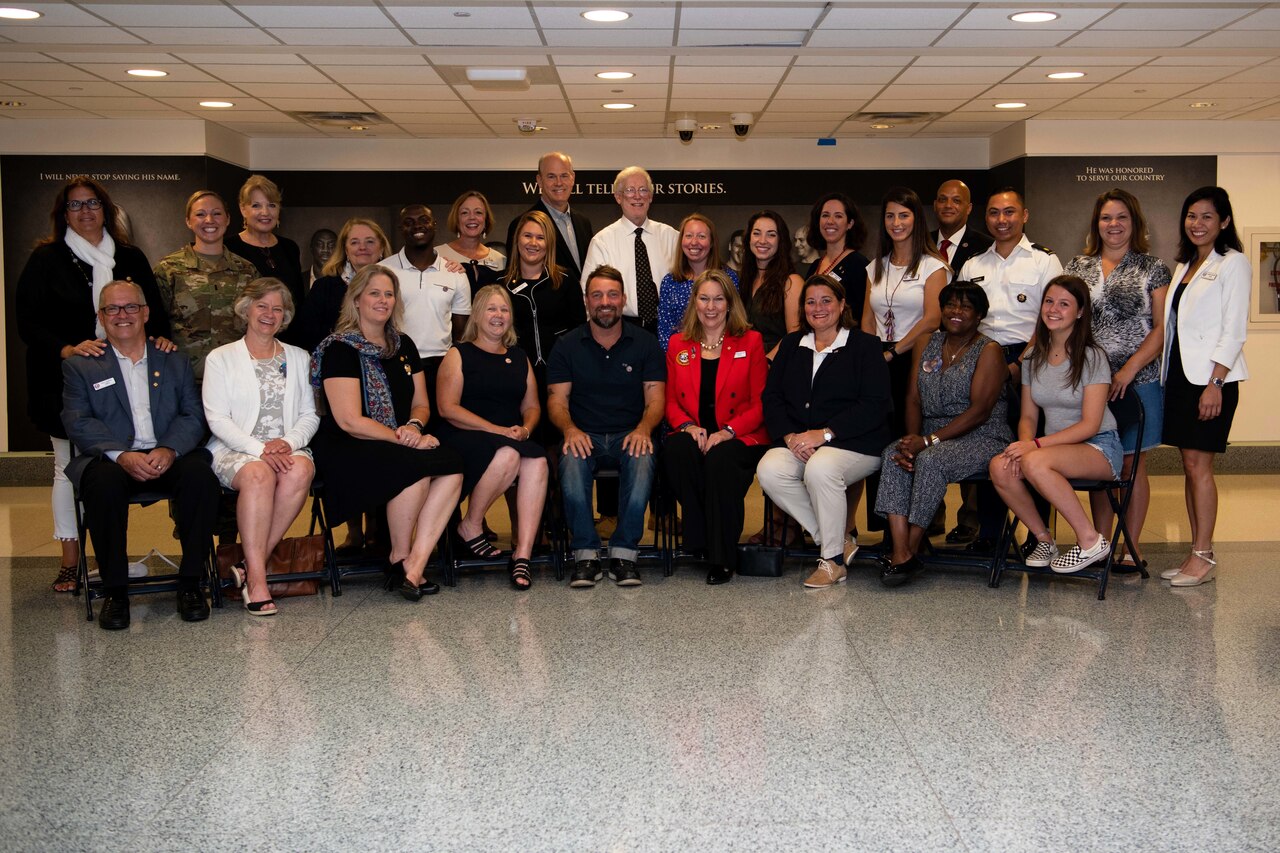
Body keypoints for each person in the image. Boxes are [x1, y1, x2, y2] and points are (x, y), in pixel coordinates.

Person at [16, 176, 171, 593]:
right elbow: (28, 322)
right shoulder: (47, 259)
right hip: (67, 375)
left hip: (130, 375)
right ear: (62, 214)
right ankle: (71, 561)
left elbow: (152, 310)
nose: (85, 212)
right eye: (75, 205)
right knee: (67, 469)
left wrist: (161, 339)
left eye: (92, 204)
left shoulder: (130, 257)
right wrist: (66, 348)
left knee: (112, 465)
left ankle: (110, 556)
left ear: (106, 209)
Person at [62, 281, 219, 630]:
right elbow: (77, 421)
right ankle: (116, 591)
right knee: (101, 486)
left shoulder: (173, 359)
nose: (122, 315)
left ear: (146, 312)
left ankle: (191, 583)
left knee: (201, 478)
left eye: (130, 307)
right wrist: (120, 455)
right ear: (101, 317)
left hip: (168, 453)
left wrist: (169, 448)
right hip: (111, 460)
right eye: (112, 309)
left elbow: (193, 415)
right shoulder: (82, 366)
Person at [310, 264, 464, 600]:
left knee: (452, 465)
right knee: (415, 468)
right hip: (347, 445)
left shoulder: (403, 344)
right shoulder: (340, 349)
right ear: (357, 300)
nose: (383, 300)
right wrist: (402, 437)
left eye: (389, 294)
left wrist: (413, 426)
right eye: (374, 293)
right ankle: (399, 554)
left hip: (397, 439)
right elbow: (349, 420)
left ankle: (413, 565)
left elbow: (422, 404)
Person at [757, 275, 891, 589]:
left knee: (820, 468)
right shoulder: (792, 344)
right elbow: (772, 397)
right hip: (802, 441)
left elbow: (875, 404)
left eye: (826, 300)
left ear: (842, 304)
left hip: (858, 443)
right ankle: (836, 540)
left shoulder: (865, 346)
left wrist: (825, 434)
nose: (818, 308)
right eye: (810, 301)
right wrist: (790, 437)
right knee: (770, 469)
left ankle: (831, 562)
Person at [874, 282, 1011, 586]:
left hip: (983, 435)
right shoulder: (925, 343)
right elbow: (912, 398)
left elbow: (980, 412)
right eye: (950, 305)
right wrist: (912, 441)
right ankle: (902, 550)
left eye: (965, 307)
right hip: (929, 434)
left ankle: (909, 548)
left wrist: (927, 442)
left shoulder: (989, 350)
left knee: (932, 460)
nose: (956, 312)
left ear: (979, 316)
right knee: (893, 454)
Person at [1063, 188, 1172, 569]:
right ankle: (1101, 543)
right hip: (1091, 381)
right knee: (1102, 461)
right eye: (1107, 218)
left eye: (1121, 217)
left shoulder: (1153, 267)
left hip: (1138, 379)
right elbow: (1068, 320)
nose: (1114, 225)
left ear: (1134, 222)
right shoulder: (1078, 266)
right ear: (1097, 223)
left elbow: (1161, 328)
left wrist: (1127, 370)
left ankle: (1133, 546)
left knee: (1131, 465)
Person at [988, 275, 1124, 575]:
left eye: (1064, 304)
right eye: (1049, 301)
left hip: (1098, 446)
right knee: (1000, 466)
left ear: (1079, 312)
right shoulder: (1034, 357)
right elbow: (1028, 417)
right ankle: (1043, 538)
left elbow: (1090, 424)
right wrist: (1025, 444)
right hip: (1052, 450)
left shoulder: (1092, 356)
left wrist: (1034, 446)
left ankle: (1090, 541)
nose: (1053, 309)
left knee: (1035, 462)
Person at [202, 278, 319, 616]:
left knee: (302, 470)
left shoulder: (299, 357)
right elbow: (218, 420)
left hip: (285, 447)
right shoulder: (220, 358)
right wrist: (261, 449)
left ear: (285, 316)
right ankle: (257, 580)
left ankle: (250, 565)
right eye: (262, 305)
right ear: (246, 309)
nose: (269, 314)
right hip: (235, 448)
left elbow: (309, 415)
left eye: (277, 308)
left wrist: (289, 442)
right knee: (258, 476)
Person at [959, 188, 1064, 552]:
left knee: (1030, 448)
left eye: (1009, 212)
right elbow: (962, 319)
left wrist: (1020, 364)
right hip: (982, 360)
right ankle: (990, 534)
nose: (1001, 220)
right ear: (984, 218)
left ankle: (1039, 538)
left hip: (1030, 359)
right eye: (993, 213)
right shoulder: (973, 265)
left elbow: (1052, 317)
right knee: (989, 446)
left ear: (1025, 215)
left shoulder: (1044, 262)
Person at [547, 265, 665, 588]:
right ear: (586, 301)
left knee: (642, 460)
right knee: (570, 461)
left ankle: (624, 553)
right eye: (597, 295)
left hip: (631, 432)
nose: (605, 301)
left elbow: (656, 399)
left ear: (623, 299)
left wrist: (643, 429)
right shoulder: (567, 346)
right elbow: (557, 401)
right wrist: (570, 430)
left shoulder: (645, 343)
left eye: (613, 294)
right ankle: (585, 554)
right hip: (584, 434)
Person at [1159, 186, 1249, 587]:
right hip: (1180, 376)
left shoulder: (1234, 263)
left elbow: (1233, 330)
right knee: (1188, 465)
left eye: (1207, 217)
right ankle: (1195, 553)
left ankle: (1203, 555)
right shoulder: (1185, 265)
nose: (1197, 224)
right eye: (1192, 216)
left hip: (1211, 380)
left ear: (1224, 222)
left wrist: (1216, 383)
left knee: (1200, 467)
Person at [436, 285, 548, 589]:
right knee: (510, 454)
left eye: (504, 310)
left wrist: (526, 429)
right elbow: (448, 409)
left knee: (537, 462)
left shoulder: (519, 356)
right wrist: (497, 430)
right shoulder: (458, 354)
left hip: (509, 436)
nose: (498, 315)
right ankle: (471, 524)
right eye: (491, 309)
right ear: (477, 314)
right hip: (466, 436)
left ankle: (522, 554)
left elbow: (533, 406)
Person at [664, 270, 769, 585]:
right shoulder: (678, 343)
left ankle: (721, 557)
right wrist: (687, 426)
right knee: (675, 450)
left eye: (718, 299)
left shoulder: (750, 341)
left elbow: (760, 403)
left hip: (739, 434)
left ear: (730, 303)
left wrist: (728, 431)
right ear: (694, 301)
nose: (711, 307)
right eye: (704, 298)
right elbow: (669, 401)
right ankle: (705, 536)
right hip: (695, 431)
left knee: (720, 461)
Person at [860, 187, 951, 540]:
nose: (896, 223)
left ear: (917, 219)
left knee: (909, 441)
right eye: (890, 216)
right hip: (877, 360)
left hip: (915, 360)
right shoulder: (876, 266)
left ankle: (917, 526)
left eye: (904, 215)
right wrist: (872, 354)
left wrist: (894, 352)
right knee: (880, 440)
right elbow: (867, 318)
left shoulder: (934, 267)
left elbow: (932, 319)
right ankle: (887, 527)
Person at [931, 178, 994, 545]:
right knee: (933, 422)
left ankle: (970, 519)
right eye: (942, 199)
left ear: (969, 208)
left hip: (976, 353)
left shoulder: (984, 248)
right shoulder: (923, 246)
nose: (948, 205)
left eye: (957, 200)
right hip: (936, 352)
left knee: (974, 430)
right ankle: (931, 512)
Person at [153, 190, 259, 380]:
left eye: (217, 213)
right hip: (184, 381)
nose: (209, 220)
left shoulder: (247, 271)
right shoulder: (168, 269)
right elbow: (154, 325)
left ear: (227, 219)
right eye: (200, 214)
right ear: (188, 221)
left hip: (236, 378)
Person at [502, 209, 586, 442]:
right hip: (515, 375)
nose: (533, 243)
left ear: (549, 243)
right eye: (527, 236)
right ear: (517, 239)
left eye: (540, 237)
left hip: (560, 375)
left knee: (560, 442)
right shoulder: (500, 284)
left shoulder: (566, 280)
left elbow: (580, 330)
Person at [381, 203, 471, 415]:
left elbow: (462, 334)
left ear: (434, 225)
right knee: (404, 428)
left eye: (423, 220)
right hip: (397, 361)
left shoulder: (455, 273)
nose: (417, 226)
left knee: (441, 431)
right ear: (400, 229)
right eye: (409, 223)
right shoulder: (384, 270)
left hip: (442, 366)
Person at [581, 166, 680, 335]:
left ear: (650, 196)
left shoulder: (672, 237)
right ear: (618, 197)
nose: (637, 196)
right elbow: (588, 293)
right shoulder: (602, 241)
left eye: (643, 190)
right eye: (630, 190)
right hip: (620, 329)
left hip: (667, 328)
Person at [224, 174, 306, 342]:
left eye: (271, 205)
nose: (265, 212)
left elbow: (298, 301)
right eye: (256, 205)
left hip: (290, 342)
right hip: (246, 343)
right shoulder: (228, 248)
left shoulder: (290, 248)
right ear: (242, 209)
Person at [297, 217, 391, 352]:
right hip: (337, 365)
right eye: (354, 242)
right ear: (346, 250)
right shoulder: (323, 287)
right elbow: (306, 336)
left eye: (370, 241)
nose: (362, 247)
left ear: (381, 247)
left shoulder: (396, 284)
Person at [505, 152, 595, 284]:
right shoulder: (521, 224)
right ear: (539, 181)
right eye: (551, 176)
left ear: (573, 178)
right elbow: (514, 275)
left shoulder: (583, 222)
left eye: (564, 175)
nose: (559, 183)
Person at [656, 213, 739, 351]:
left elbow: (735, 322)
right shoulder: (670, 281)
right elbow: (665, 332)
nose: (694, 242)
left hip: (721, 355)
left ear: (712, 242)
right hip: (681, 359)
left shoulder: (728, 278)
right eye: (688, 236)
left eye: (701, 236)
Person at [741, 209, 805, 360]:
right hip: (744, 364)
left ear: (780, 241)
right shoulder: (744, 280)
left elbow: (795, 335)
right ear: (748, 238)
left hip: (775, 366)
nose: (762, 240)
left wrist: (767, 362)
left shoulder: (791, 282)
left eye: (771, 234)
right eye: (757, 233)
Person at [804, 192, 870, 325]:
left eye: (838, 216)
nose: (830, 221)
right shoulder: (815, 265)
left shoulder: (859, 265)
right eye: (825, 215)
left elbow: (865, 317)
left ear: (850, 223)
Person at [437, 190, 507, 294]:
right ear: (457, 219)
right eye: (465, 213)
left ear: (486, 219)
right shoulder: (438, 254)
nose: (472, 217)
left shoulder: (501, 260)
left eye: (478, 212)